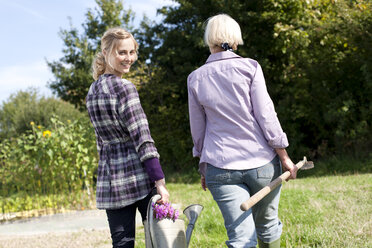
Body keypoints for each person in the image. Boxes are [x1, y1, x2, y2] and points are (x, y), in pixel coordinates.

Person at [187, 14, 298, 248]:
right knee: (267, 227)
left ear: (209, 41)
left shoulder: (195, 78)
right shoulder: (250, 68)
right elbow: (266, 116)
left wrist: (203, 166)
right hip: (262, 164)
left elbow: (198, 131)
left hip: (220, 166)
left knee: (240, 238)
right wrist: (285, 158)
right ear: (234, 39)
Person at [86, 27, 169, 248]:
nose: (129, 58)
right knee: (161, 237)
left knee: (122, 243)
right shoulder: (125, 88)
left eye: (132, 52)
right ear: (105, 52)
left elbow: (100, 142)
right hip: (137, 175)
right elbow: (142, 137)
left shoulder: (92, 91)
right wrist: (159, 181)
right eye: (122, 52)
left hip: (110, 179)